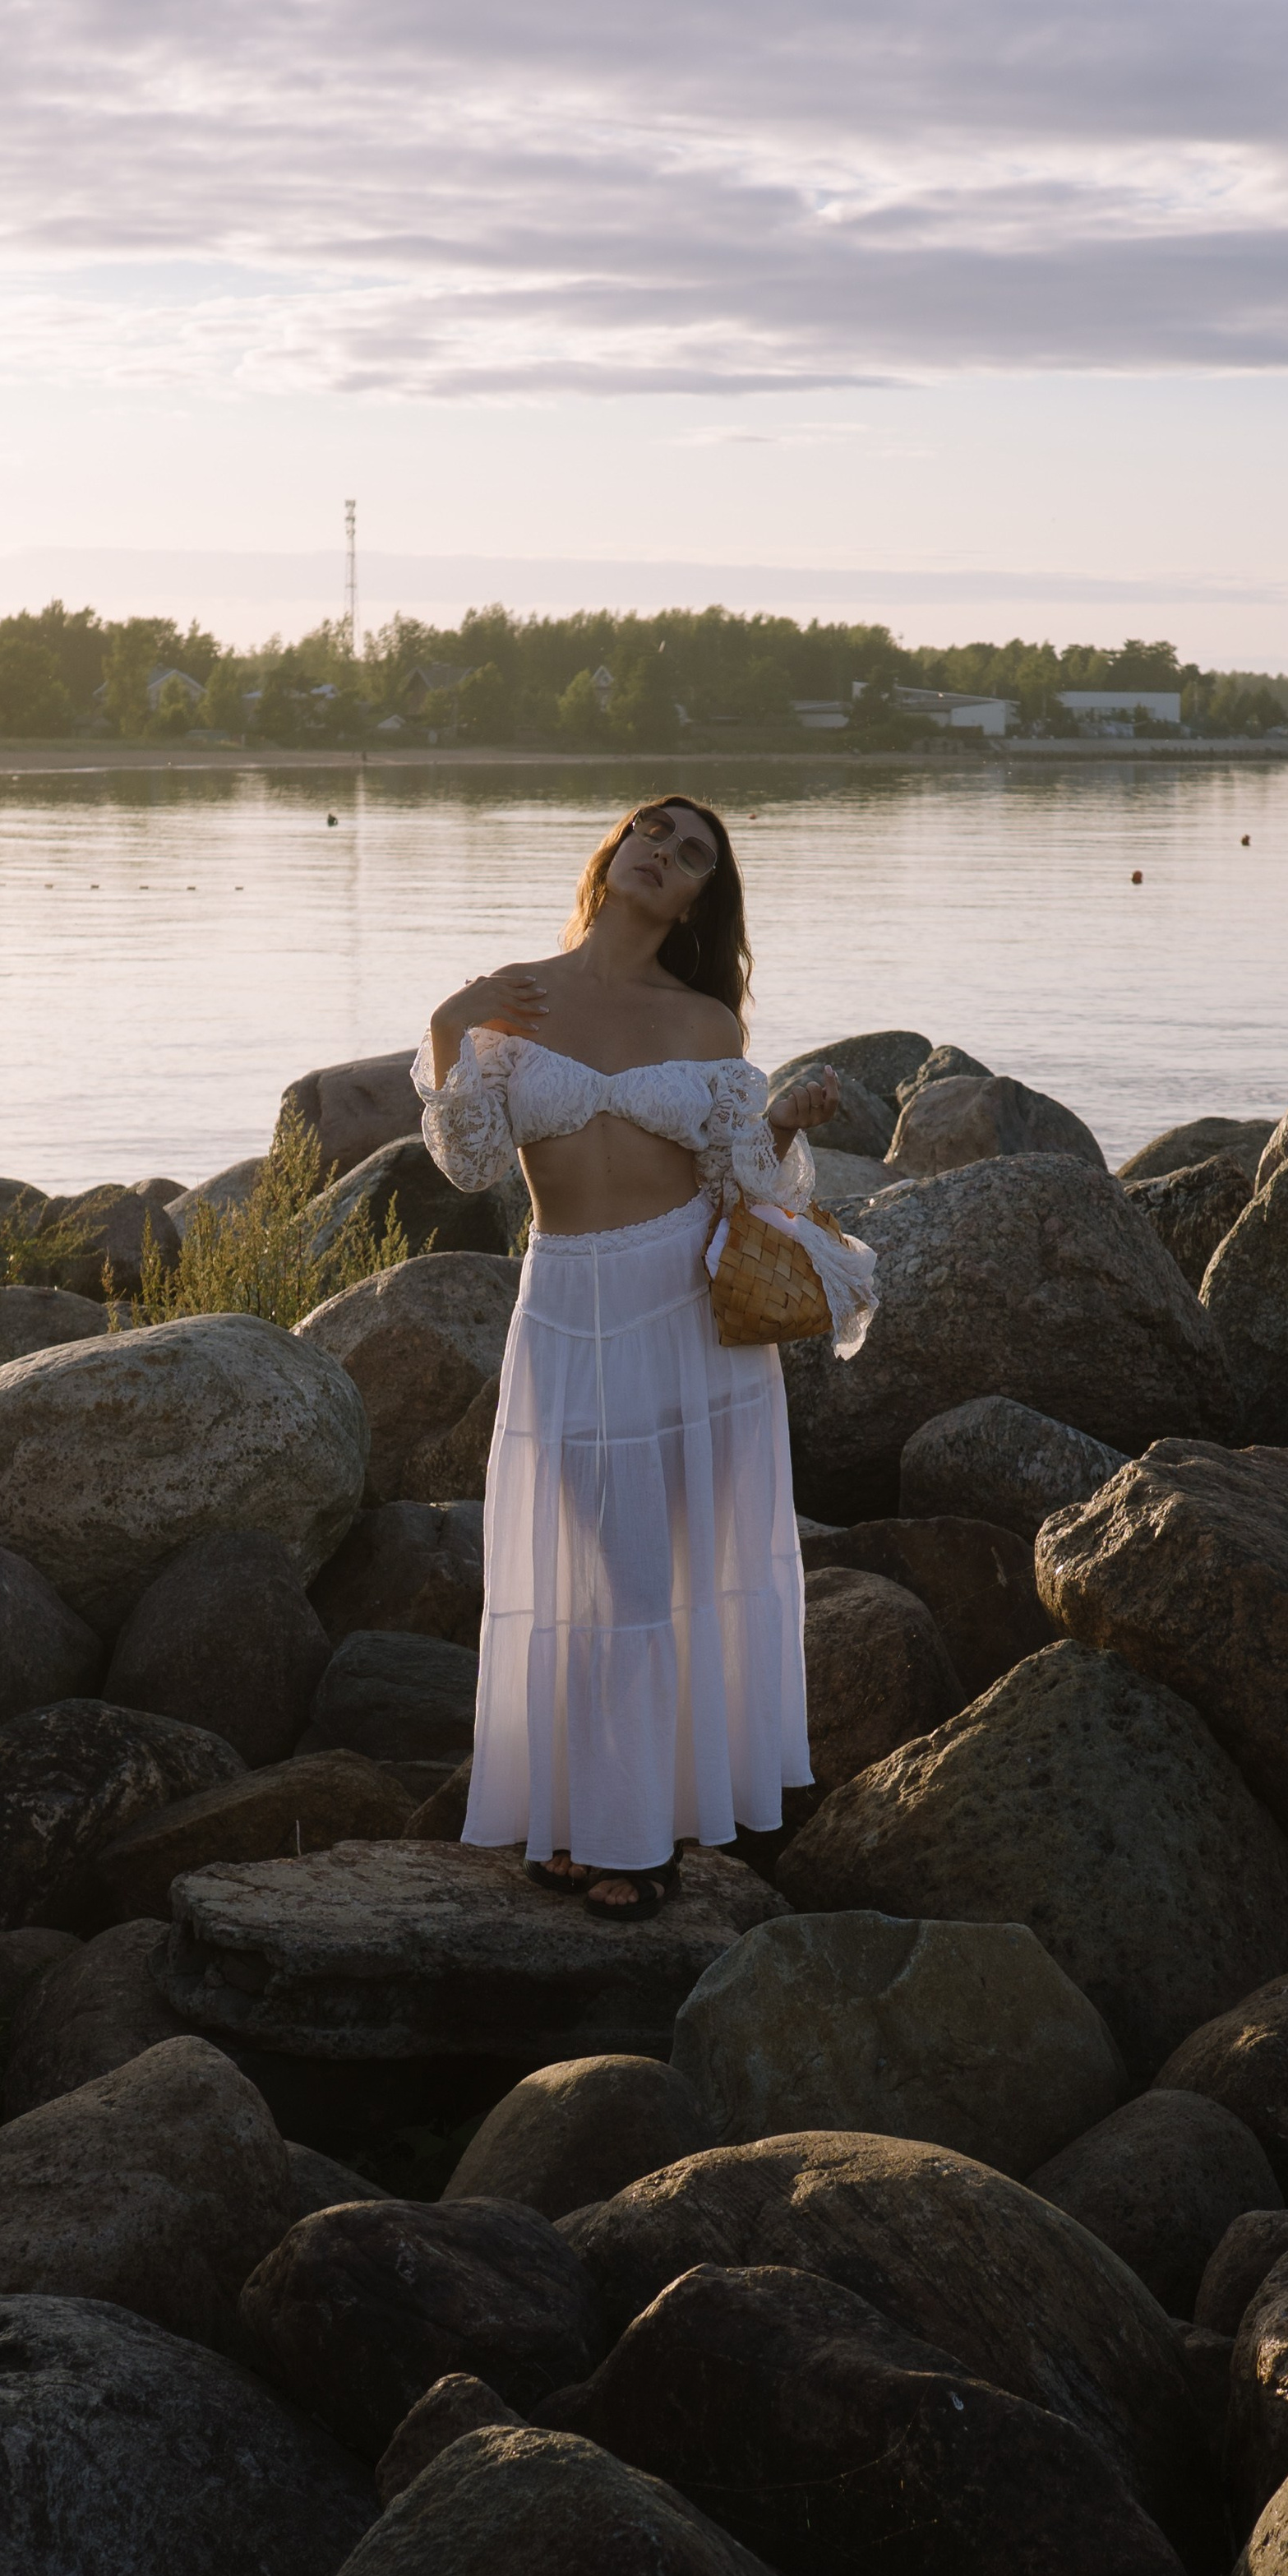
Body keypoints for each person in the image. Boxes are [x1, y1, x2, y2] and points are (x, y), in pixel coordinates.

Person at [418, 800, 879, 1914]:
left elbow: (744, 1184)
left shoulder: (705, 1023)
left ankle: (635, 1842)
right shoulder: (517, 999)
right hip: (566, 1307)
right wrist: (448, 1026)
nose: (664, 853)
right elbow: (472, 1163)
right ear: (614, 852)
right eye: (653, 833)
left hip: (680, 1310)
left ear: (697, 902)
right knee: (587, 1573)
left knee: (643, 1576)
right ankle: (585, 1818)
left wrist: (782, 1122)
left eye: (692, 854)